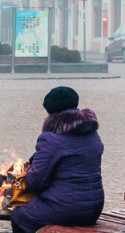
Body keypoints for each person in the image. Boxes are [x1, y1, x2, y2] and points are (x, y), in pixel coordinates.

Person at [10, 87, 105, 233]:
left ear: (50, 112)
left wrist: (29, 172)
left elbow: (36, 182)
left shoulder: (50, 138)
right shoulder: (92, 133)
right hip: (93, 209)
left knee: (19, 216)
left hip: (64, 210)